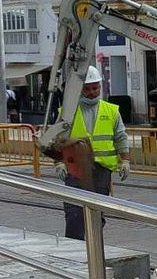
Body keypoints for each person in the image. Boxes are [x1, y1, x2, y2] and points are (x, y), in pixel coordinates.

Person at [56, 65, 131, 240]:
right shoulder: (68, 112)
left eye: (95, 88)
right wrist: (59, 162)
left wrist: (125, 160)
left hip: (102, 169)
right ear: (79, 89)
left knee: (97, 211)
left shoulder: (111, 111)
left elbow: (121, 137)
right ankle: (75, 246)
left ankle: (94, 245)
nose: (92, 92)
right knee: (74, 211)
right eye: (88, 89)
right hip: (75, 168)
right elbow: (57, 140)